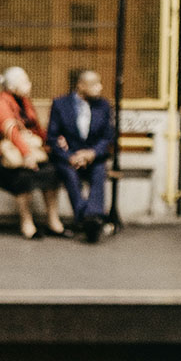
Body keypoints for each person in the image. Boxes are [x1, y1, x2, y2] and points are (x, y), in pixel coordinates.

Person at [0, 66, 65, 240]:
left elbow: (36, 128)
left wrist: (52, 141)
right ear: (12, 86)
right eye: (24, 81)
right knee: (22, 175)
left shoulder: (25, 102)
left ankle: (53, 221)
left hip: (23, 152)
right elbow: (12, 133)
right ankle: (27, 223)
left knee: (52, 171)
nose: (29, 84)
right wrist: (27, 155)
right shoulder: (0, 104)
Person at [47, 70, 115, 243]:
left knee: (99, 172)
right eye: (95, 84)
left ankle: (88, 217)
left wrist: (91, 154)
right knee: (69, 174)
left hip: (93, 157)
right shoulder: (61, 104)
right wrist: (69, 156)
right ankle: (91, 219)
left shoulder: (104, 106)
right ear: (80, 86)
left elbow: (108, 137)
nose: (100, 87)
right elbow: (53, 137)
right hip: (68, 158)